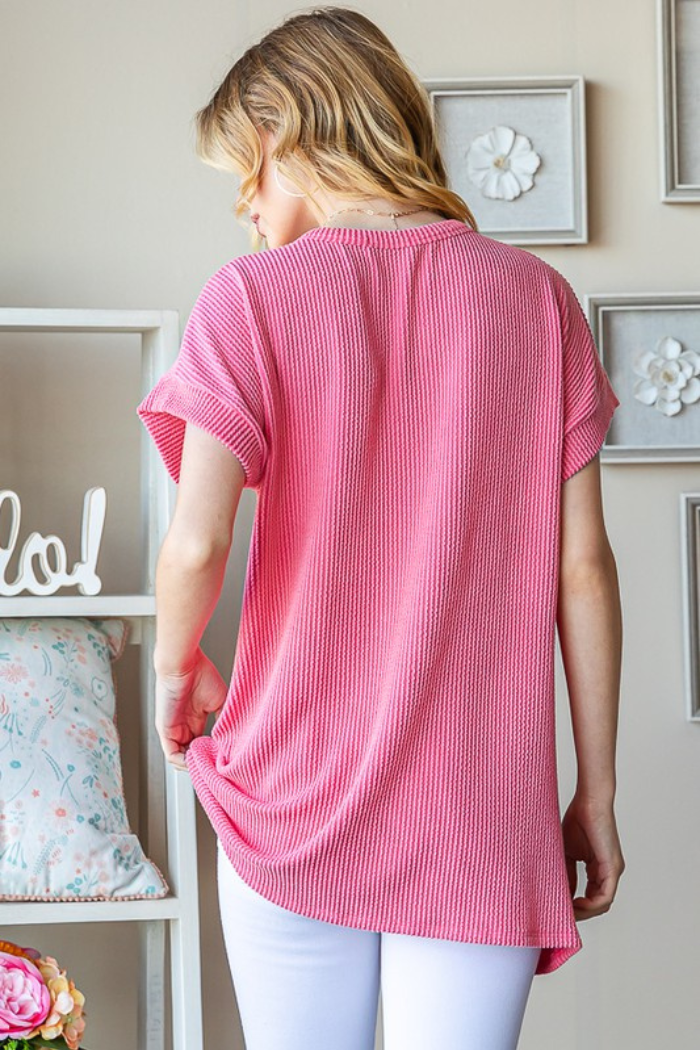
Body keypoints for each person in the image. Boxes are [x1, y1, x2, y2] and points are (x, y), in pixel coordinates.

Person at [136, 7, 626, 1048]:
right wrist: (596, 787)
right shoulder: (535, 300)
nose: (244, 205)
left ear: (289, 139)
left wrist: (176, 678)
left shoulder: (247, 302)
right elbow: (581, 571)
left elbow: (195, 545)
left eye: (245, 170)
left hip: (291, 798)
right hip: (478, 816)